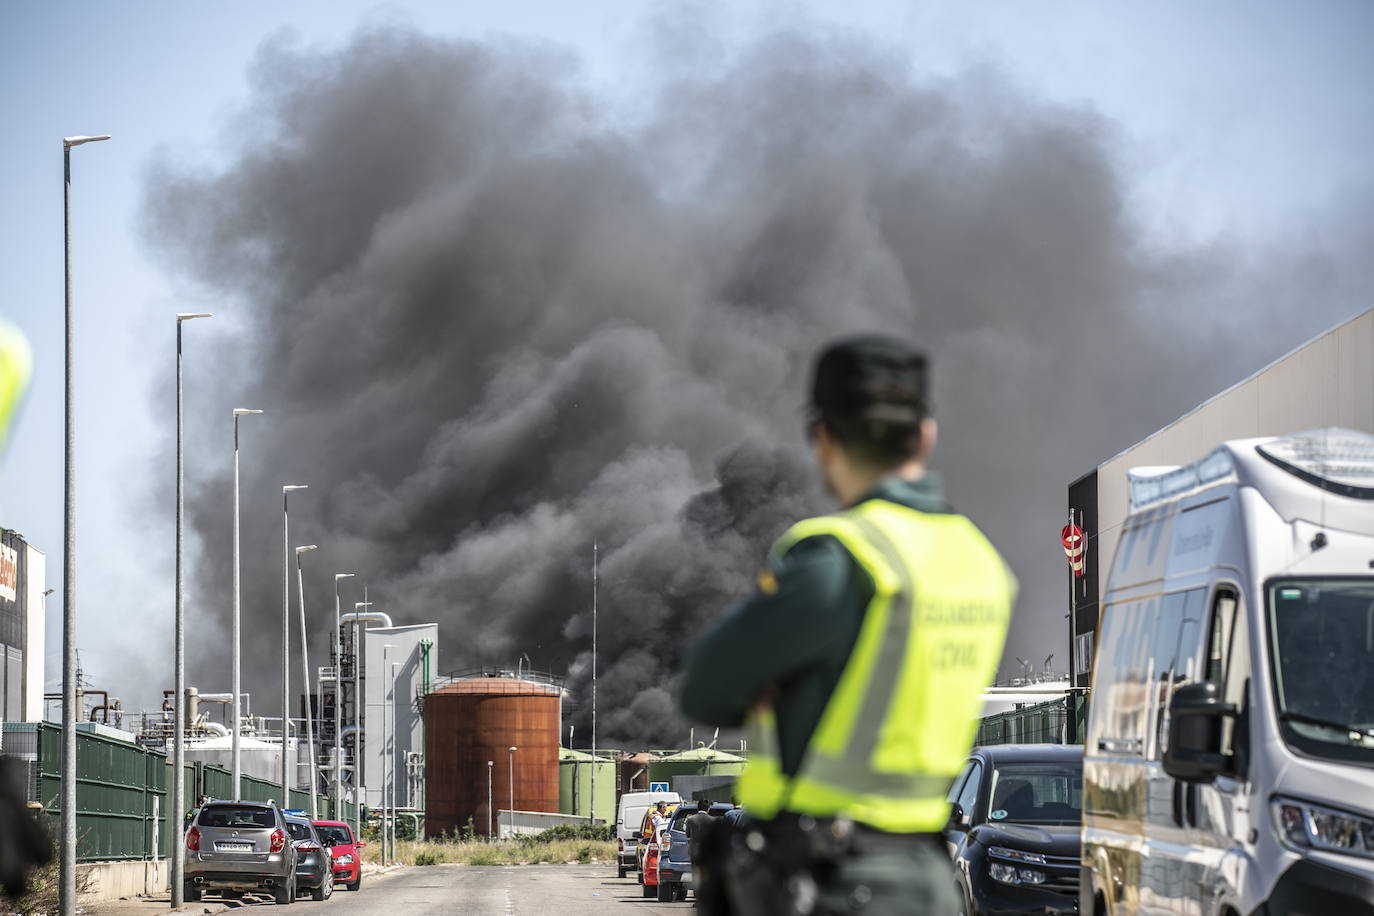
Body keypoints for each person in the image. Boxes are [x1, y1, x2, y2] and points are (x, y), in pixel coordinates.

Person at [680, 335, 1016, 915]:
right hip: (927, 883)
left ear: (823, 437)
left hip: (829, 884)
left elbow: (705, 687)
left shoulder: (844, 558)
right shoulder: (984, 566)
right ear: (926, 433)